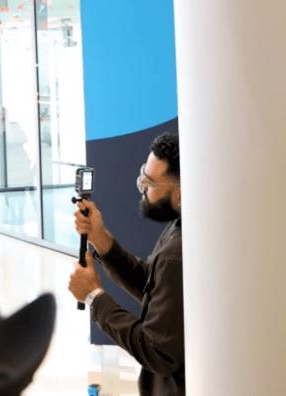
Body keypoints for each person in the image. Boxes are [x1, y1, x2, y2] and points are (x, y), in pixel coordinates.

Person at [68, 133, 185, 396]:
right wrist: (101, 239)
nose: (142, 187)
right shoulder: (180, 225)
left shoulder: (176, 255)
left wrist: (94, 297)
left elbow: (157, 351)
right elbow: (155, 286)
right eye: (143, 175)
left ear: (179, 193)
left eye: (150, 182)